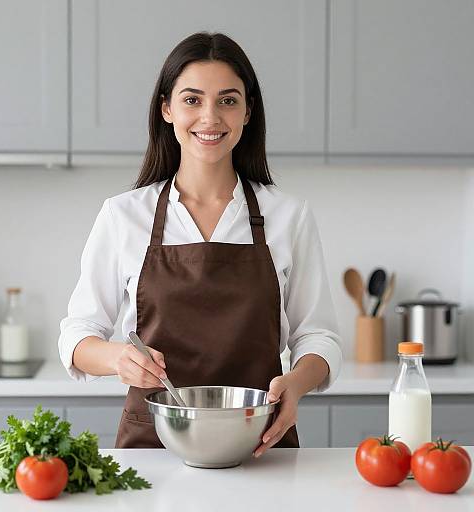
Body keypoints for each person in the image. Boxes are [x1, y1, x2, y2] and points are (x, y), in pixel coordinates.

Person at [58, 31, 342, 457]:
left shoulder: (289, 216)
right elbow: (77, 336)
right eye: (192, 100)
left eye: (227, 100)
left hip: (261, 444)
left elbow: (319, 337)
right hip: (153, 449)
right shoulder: (123, 215)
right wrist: (118, 358)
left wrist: (296, 386)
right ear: (167, 109)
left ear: (248, 113)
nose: (210, 117)